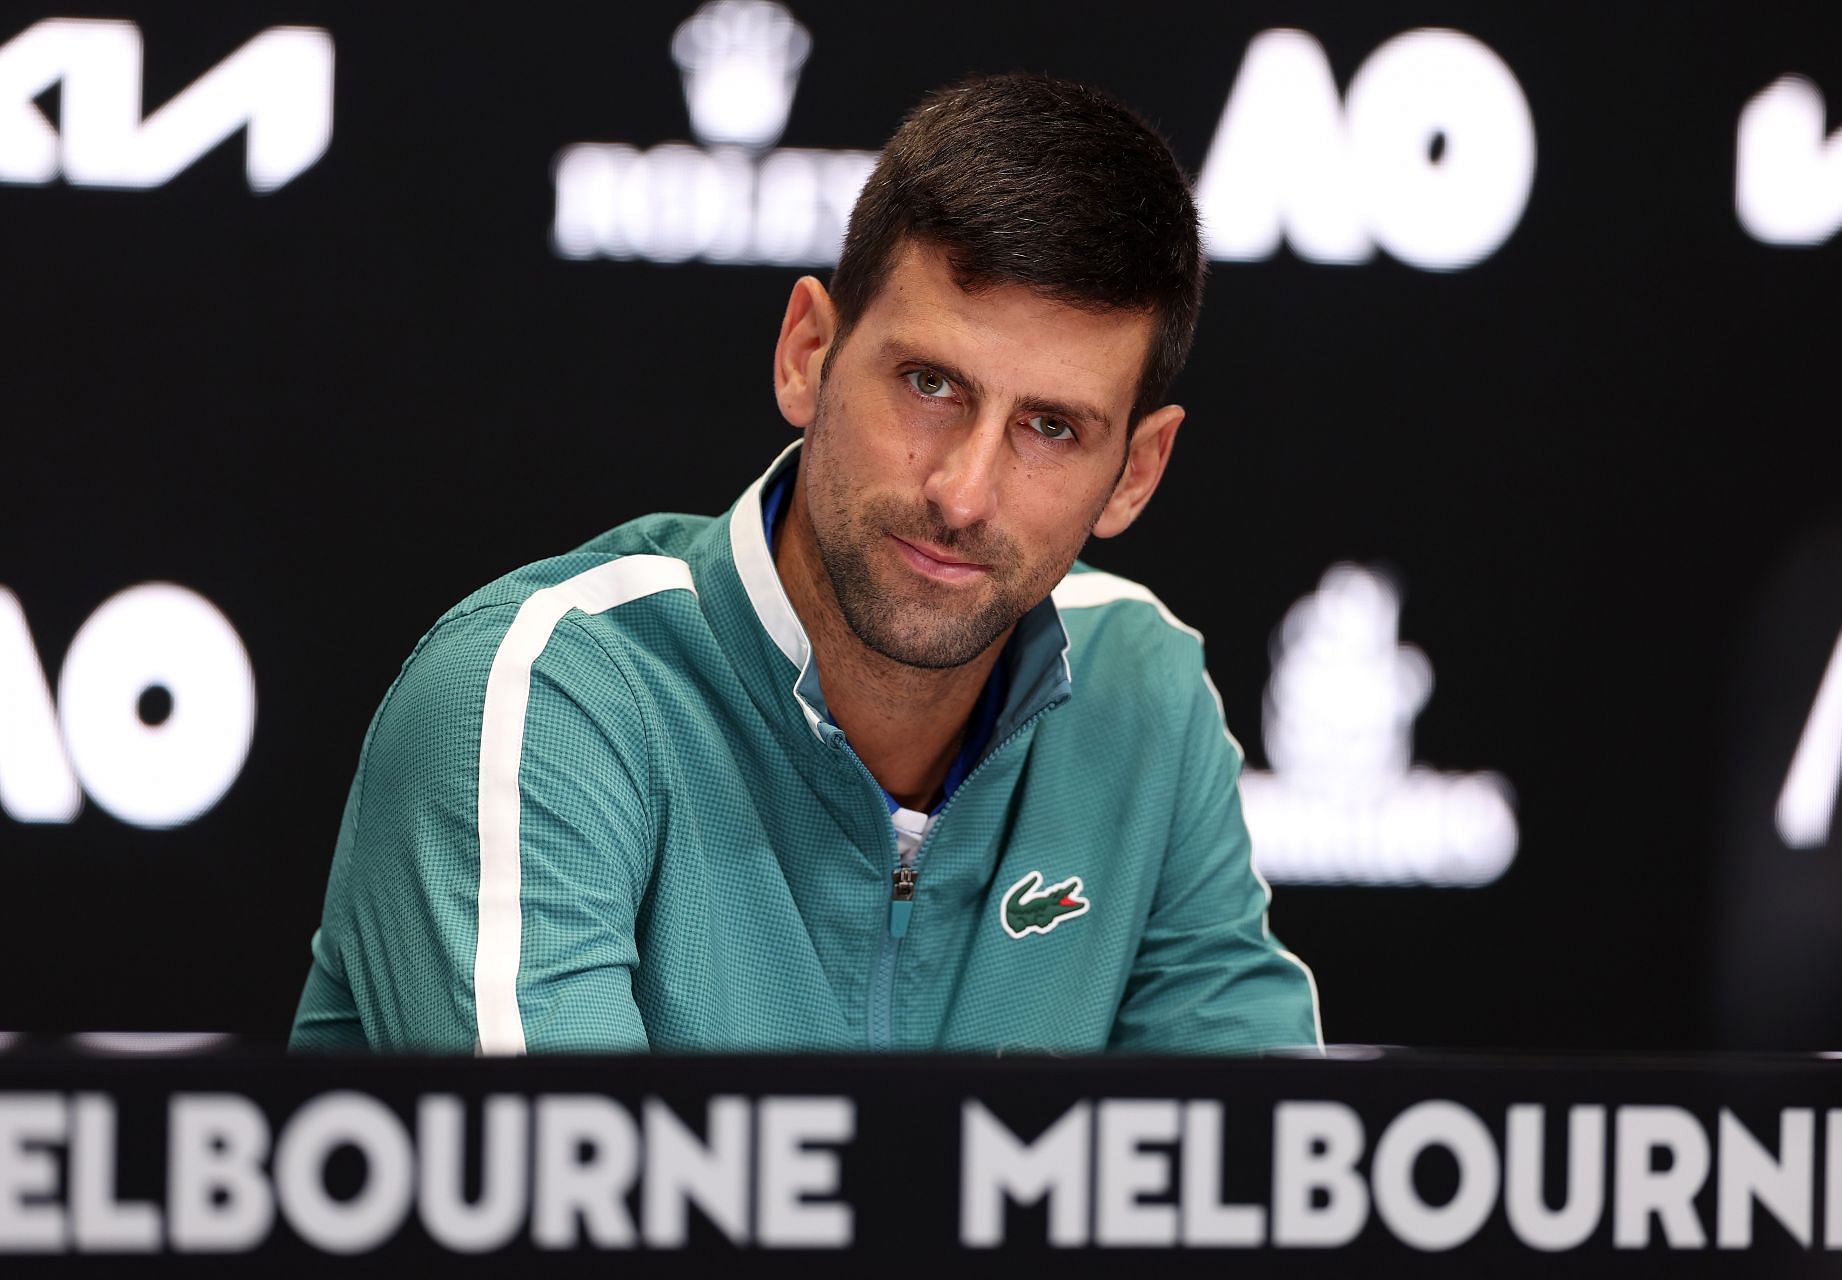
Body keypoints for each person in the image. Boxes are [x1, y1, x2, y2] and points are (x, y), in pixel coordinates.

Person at [290, 73, 1321, 1054]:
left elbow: (1263, 1187)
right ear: (807, 352)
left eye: (1051, 428)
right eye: (928, 383)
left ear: (1135, 471)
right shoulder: (539, 696)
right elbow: (560, 1209)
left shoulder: (1142, 690)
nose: (962, 492)